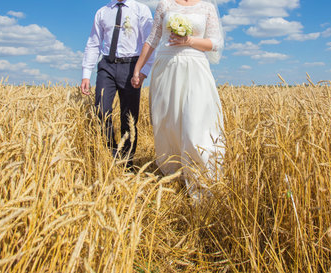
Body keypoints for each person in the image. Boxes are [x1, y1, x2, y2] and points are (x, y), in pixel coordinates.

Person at [131, 0, 225, 202]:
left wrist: (189, 41)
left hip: (195, 68)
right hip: (167, 68)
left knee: (195, 126)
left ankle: (201, 182)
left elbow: (215, 43)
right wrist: (138, 69)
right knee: (168, 124)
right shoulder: (164, 5)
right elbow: (153, 39)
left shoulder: (207, 8)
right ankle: (174, 176)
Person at [80, 0, 154, 167]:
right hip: (106, 66)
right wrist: (86, 74)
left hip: (132, 66)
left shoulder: (141, 10)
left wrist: (143, 72)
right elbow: (94, 43)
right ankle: (110, 154)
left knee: (129, 116)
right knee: (101, 109)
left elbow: (149, 43)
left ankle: (127, 161)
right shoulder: (102, 12)